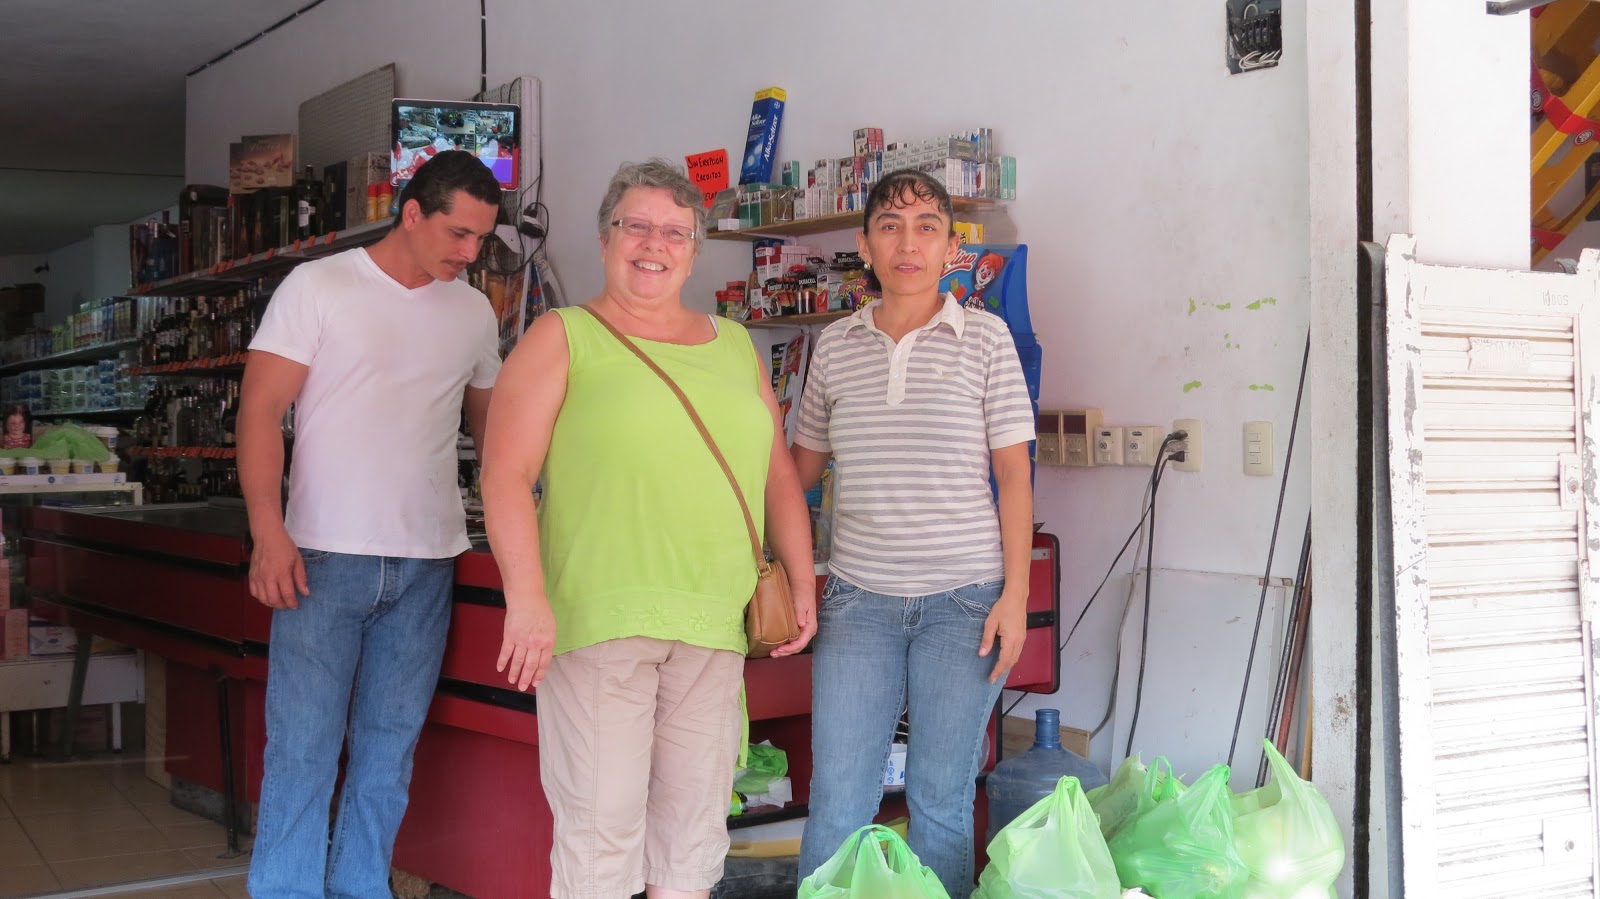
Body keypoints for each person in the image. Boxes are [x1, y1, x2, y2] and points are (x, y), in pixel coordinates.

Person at [480, 158, 817, 899]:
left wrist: (801, 577)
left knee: (692, 837)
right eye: (636, 226)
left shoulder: (735, 346)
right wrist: (526, 597)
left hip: (713, 623)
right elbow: (503, 473)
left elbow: (776, 476)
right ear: (606, 239)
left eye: (674, 232)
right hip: (601, 620)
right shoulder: (562, 336)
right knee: (601, 835)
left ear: (693, 252)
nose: (653, 244)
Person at [239, 150, 503, 899]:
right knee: (303, 753)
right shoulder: (319, 286)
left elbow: (496, 439)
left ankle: (361, 889)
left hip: (428, 563)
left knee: (388, 758)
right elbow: (259, 411)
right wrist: (267, 531)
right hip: (322, 558)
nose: (470, 253)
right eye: (458, 233)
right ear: (411, 213)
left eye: (481, 239)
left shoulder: (474, 312)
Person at [793, 170, 1036, 898]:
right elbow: (798, 472)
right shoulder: (834, 346)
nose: (908, 243)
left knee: (939, 799)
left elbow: (1015, 476)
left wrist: (1016, 598)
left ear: (950, 246)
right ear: (864, 245)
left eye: (927, 226)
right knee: (839, 799)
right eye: (890, 227)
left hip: (965, 603)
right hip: (858, 601)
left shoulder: (987, 339)